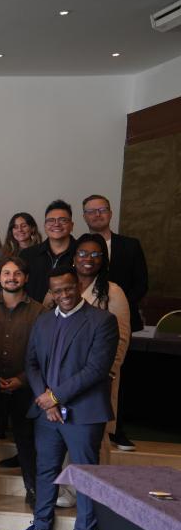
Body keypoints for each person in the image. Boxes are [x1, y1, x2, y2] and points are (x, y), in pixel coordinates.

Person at [7, 268, 118, 530]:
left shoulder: (102, 321)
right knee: (46, 470)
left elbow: (96, 369)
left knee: (85, 476)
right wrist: (47, 401)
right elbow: (31, 363)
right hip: (48, 414)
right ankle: (42, 525)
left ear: (78, 285)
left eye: (68, 288)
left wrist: (55, 397)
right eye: (57, 291)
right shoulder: (43, 320)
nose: (64, 295)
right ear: (51, 293)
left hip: (84, 413)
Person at [0, 257, 44, 506]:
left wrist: (21, 380)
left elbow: (44, 353)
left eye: (17, 273)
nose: (12, 277)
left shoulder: (40, 312)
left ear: (26, 278)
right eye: (6, 273)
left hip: (26, 386)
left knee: (26, 439)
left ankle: (33, 490)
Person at [81, 193, 148, 452]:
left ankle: (117, 431)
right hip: (81, 342)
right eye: (91, 211)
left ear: (110, 213)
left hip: (115, 316)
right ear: (84, 216)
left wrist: (114, 303)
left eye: (102, 209)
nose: (97, 214)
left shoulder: (129, 245)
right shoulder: (79, 246)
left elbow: (141, 283)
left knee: (116, 382)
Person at [66, 233, 131, 462]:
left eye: (95, 254)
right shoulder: (62, 286)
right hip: (63, 377)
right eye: (83, 253)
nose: (88, 259)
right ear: (74, 257)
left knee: (94, 439)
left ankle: (94, 484)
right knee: (64, 432)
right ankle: (66, 482)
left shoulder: (113, 292)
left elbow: (121, 339)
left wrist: (107, 374)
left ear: (103, 259)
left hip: (98, 378)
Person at [20, 199, 77, 303]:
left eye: (63, 220)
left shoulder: (81, 255)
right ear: (45, 226)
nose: (56, 224)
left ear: (72, 225)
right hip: (34, 312)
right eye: (51, 220)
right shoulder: (27, 255)